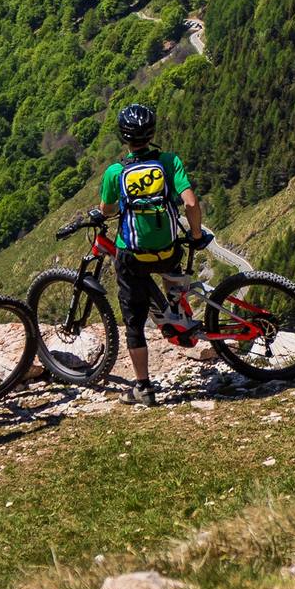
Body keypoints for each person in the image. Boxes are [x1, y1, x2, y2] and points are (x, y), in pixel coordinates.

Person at [95, 103, 208, 406]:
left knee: (134, 320)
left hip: (132, 255)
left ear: (124, 136)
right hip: (169, 250)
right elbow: (191, 204)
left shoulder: (115, 172)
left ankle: (143, 387)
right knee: (171, 276)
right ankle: (181, 323)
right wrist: (196, 236)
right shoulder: (169, 162)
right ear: (152, 132)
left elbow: (106, 211)